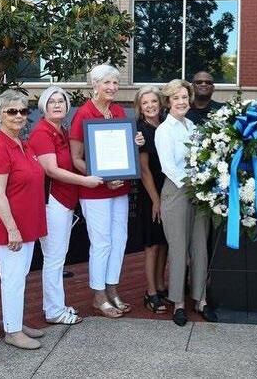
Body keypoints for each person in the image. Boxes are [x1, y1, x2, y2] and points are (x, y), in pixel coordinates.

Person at [70, 64, 144, 318]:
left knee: (119, 239)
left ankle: (112, 288)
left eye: (115, 82)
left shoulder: (118, 111)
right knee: (101, 243)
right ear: (95, 85)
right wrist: (101, 179)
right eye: (107, 83)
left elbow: (124, 151)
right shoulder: (84, 113)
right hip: (95, 192)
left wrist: (135, 142)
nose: (112, 87)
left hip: (120, 189)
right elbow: (76, 158)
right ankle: (98, 295)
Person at [28, 86, 103, 325]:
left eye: (61, 101)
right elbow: (51, 170)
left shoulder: (62, 130)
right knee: (54, 258)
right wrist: (86, 181)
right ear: (44, 107)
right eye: (52, 102)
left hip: (64, 201)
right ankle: (54, 311)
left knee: (57, 257)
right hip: (52, 202)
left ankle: (55, 305)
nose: (57, 105)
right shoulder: (42, 133)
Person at [0, 89, 47, 350]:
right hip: (10, 228)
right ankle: (12, 331)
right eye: (12, 111)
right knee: (12, 278)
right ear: (0, 115)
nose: (19, 115)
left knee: (20, 276)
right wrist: (12, 229)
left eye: (23, 110)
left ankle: (16, 322)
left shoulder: (23, 143)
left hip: (27, 224)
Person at [155, 79, 217, 326]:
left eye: (184, 97)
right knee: (179, 248)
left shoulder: (192, 126)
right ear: (168, 101)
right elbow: (168, 167)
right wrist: (194, 183)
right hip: (177, 191)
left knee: (200, 246)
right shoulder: (164, 130)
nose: (181, 102)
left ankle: (201, 299)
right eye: (176, 98)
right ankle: (178, 303)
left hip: (199, 192)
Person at [134, 85, 168, 313]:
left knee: (164, 242)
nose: (150, 106)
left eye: (153, 101)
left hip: (168, 192)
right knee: (152, 245)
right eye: (145, 103)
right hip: (150, 195)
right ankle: (151, 292)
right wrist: (156, 200)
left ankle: (161, 285)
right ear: (139, 106)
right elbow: (144, 171)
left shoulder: (166, 125)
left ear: (160, 103)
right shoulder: (141, 131)